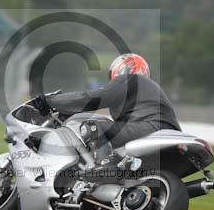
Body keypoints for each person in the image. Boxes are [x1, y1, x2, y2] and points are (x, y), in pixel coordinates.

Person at [34, 53, 181, 156]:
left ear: (120, 69)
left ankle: (103, 169)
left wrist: (50, 101)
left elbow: (92, 98)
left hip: (149, 128)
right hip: (172, 134)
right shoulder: (150, 88)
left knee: (93, 127)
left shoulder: (129, 80)